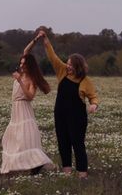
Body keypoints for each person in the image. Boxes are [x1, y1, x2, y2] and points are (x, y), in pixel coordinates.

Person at [37, 29, 99, 178]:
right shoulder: (63, 71)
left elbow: (94, 97)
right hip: (60, 113)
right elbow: (52, 56)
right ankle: (67, 171)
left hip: (77, 117)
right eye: (68, 64)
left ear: (78, 67)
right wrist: (45, 39)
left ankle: (82, 173)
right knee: (63, 142)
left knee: (77, 143)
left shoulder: (85, 81)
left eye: (71, 65)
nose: (68, 66)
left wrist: (93, 105)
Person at [0, 34, 54, 175]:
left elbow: (30, 97)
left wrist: (20, 82)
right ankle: (26, 165)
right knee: (12, 138)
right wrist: (37, 38)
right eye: (21, 63)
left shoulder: (31, 79)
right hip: (15, 110)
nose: (21, 66)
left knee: (26, 139)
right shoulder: (22, 73)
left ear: (29, 66)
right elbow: (26, 50)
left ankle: (35, 166)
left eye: (24, 64)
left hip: (24, 109)